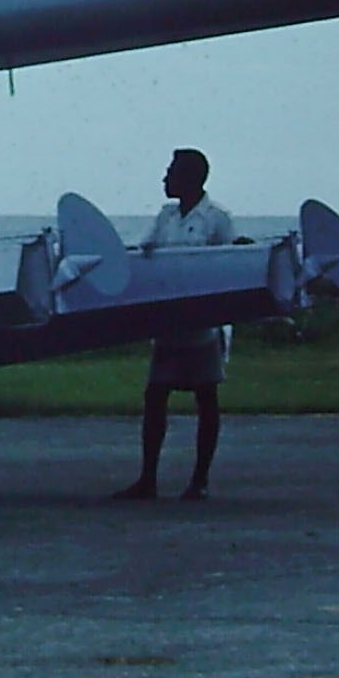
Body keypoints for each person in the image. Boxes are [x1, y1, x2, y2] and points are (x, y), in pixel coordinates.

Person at [114, 148, 236, 501]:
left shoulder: (217, 218)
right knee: (155, 396)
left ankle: (199, 481)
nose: (165, 178)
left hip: (202, 326)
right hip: (168, 324)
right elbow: (146, 253)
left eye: (171, 172)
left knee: (205, 397)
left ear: (191, 178)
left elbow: (229, 265)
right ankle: (147, 479)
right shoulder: (166, 216)